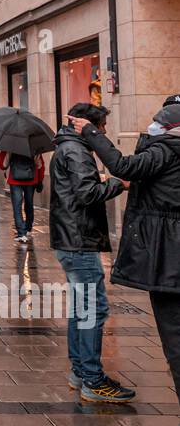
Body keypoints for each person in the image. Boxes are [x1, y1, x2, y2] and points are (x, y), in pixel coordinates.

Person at [72, 99, 180, 426]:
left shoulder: (168, 149)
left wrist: (90, 134)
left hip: (169, 260)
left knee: (174, 336)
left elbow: (122, 167)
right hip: (165, 256)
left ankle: (85, 372)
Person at [49, 103, 134, 403]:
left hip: (70, 239)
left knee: (80, 309)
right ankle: (93, 380)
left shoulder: (69, 149)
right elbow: (87, 194)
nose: (105, 133)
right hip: (79, 241)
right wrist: (116, 184)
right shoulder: (76, 152)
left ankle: (79, 372)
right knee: (93, 311)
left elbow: (78, 190)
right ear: (89, 127)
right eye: (102, 128)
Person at [0, 148, 45, 244]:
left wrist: (5, 151)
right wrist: (40, 180)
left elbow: (2, 165)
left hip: (15, 180)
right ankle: (28, 228)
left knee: (17, 206)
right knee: (29, 204)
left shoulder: (10, 144)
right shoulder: (34, 145)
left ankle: (21, 233)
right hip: (31, 179)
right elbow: (40, 165)